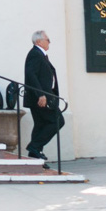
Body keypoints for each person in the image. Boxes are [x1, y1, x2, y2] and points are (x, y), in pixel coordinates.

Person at [24, 30, 63, 161]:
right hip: (41, 98)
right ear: (39, 41)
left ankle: (36, 155)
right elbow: (31, 75)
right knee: (57, 120)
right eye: (47, 39)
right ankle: (34, 147)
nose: (49, 42)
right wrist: (41, 95)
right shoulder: (35, 54)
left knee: (40, 124)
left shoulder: (41, 54)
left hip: (46, 96)